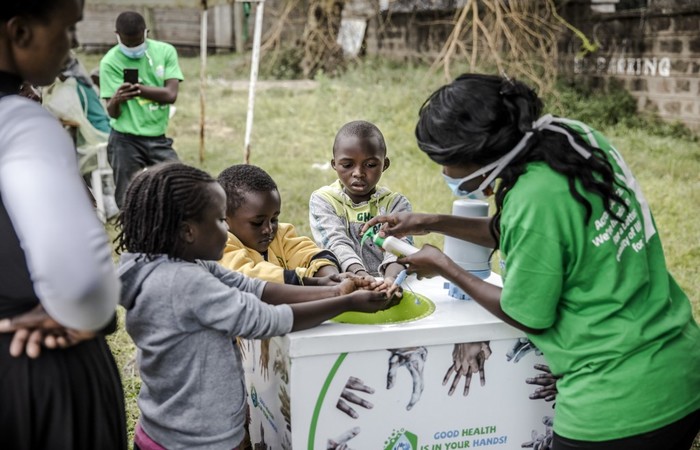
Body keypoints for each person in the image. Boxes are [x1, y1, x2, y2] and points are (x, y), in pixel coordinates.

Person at [363, 73, 700, 450]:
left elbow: (526, 313)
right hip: (680, 367)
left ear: (482, 154)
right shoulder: (573, 139)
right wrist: (433, 222)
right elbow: (535, 232)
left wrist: (444, 266)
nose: (444, 173)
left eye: (446, 162)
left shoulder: (533, 199)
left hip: (618, 405)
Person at [116, 162, 397, 450]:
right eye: (218, 221)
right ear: (188, 232)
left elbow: (254, 288)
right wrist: (345, 302)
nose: (226, 232)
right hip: (195, 440)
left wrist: (331, 288)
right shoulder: (184, 283)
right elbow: (265, 319)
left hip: (165, 429)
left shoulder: (173, 265)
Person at [0, 1, 127, 449]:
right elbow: (82, 284)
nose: (72, 45)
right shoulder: (19, 122)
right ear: (19, 33)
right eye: (68, 29)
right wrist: (75, 311)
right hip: (35, 371)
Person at [309, 120, 412, 287]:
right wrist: (361, 277)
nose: (358, 173)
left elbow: (400, 249)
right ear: (334, 164)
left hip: (391, 282)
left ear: (384, 164)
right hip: (344, 286)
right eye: (347, 165)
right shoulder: (323, 200)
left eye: (370, 165)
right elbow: (336, 243)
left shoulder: (396, 204)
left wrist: (390, 280)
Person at [99, 10, 184, 207]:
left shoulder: (165, 52)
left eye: (137, 42)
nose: (132, 47)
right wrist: (117, 99)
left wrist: (138, 90)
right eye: (127, 43)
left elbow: (171, 95)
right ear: (117, 35)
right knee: (127, 197)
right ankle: (131, 234)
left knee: (177, 186)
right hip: (125, 140)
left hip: (157, 138)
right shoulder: (109, 62)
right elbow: (112, 113)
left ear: (146, 33)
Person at [218, 163, 348, 286]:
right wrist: (310, 281)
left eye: (274, 219)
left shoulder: (281, 235)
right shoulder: (219, 246)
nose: (268, 229)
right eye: (257, 223)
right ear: (224, 219)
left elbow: (308, 254)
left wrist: (333, 278)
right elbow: (251, 276)